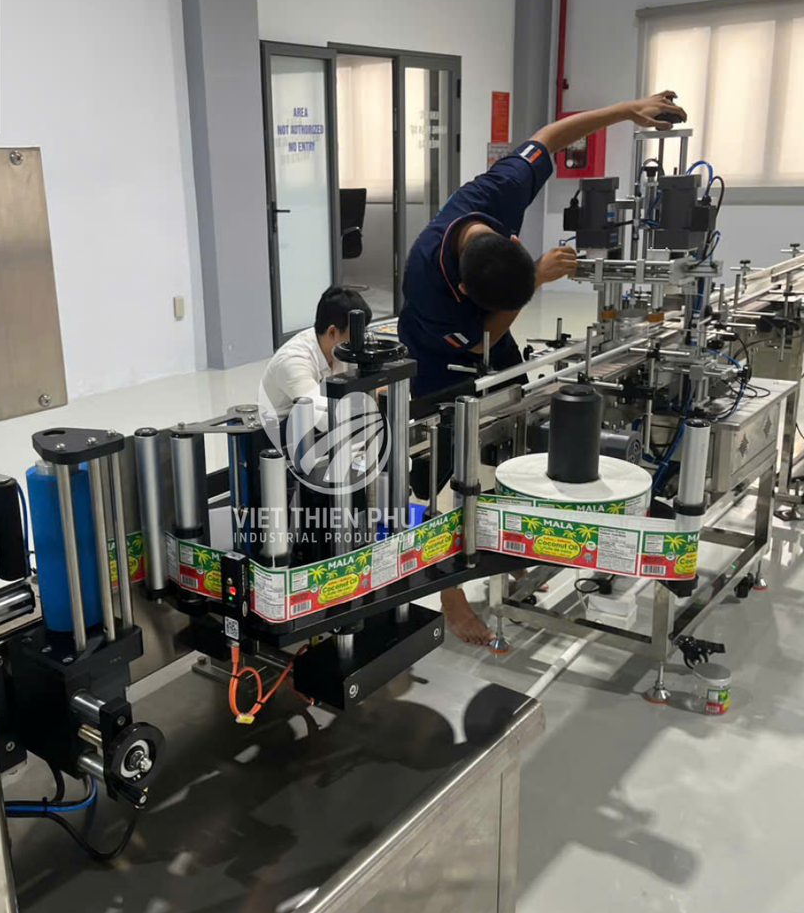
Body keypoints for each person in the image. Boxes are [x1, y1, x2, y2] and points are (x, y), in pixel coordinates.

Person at [398, 90, 688, 645]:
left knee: (511, 439)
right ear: (465, 291)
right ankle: (451, 597)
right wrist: (536, 279)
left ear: (508, 238)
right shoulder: (427, 284)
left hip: (493, 336)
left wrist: (627, 110)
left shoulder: (493, 195)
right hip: (438, 363)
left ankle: (507, 546)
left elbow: (549, 137)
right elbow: (483, 337)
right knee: (440, 476)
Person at [261, 285, 373, 430]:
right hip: (277, 433)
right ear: (332, 332)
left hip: (314, 429)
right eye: (355, 335)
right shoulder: (293, 361)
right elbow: (324, 420)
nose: (360, 341)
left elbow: (362, 386)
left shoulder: (340, 348)